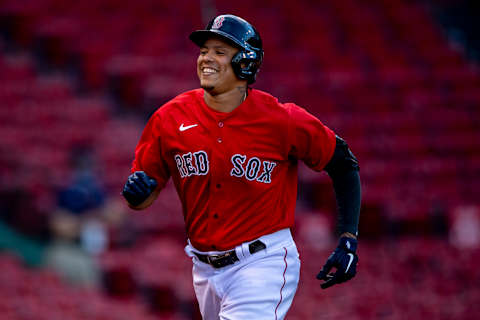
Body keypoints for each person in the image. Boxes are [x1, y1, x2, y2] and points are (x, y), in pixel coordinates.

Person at [122, 14, 361, 320]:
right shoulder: (170, 118)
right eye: (204, 50)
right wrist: (135, 192)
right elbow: (143, 197)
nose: (206, 58)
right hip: (204, 270)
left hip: (263, 261)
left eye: (219, 52)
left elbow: (343, 163)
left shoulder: (281, 120)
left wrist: (348, 238)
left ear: (245, 63)